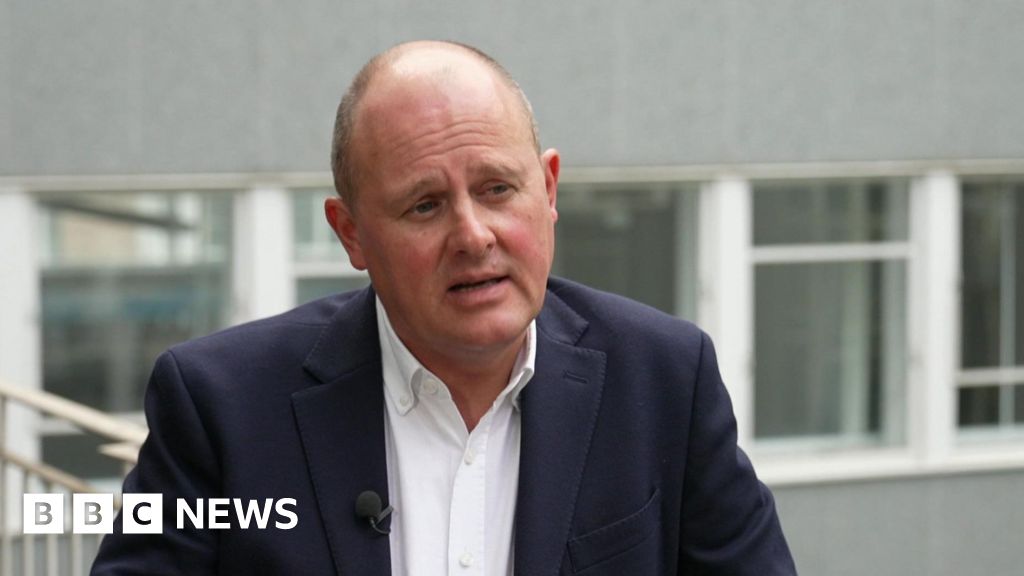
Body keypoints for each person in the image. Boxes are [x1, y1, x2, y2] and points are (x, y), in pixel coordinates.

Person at [92, 40, 796, 575]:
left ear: (549, 190)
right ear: (351, 233)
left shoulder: (665, 379)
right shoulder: (218, 406)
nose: (473, 235)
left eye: (497, 189)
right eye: (424, 205)